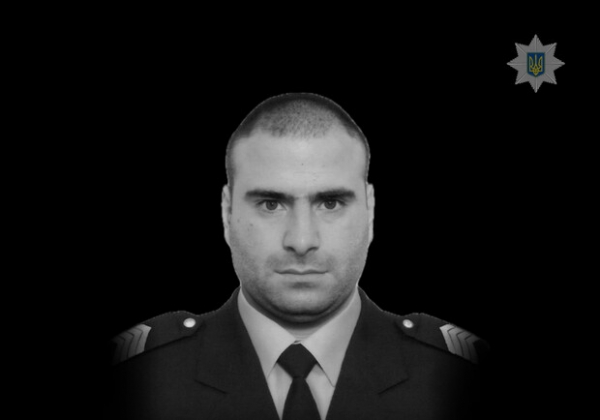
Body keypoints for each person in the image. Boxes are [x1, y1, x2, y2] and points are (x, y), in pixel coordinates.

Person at [105, 92, 489, 420]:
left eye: (331, 203)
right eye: (271, 204)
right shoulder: (140, 377)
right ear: (226, 213)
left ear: (370, 211)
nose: (302, 241)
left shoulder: (457, 377)